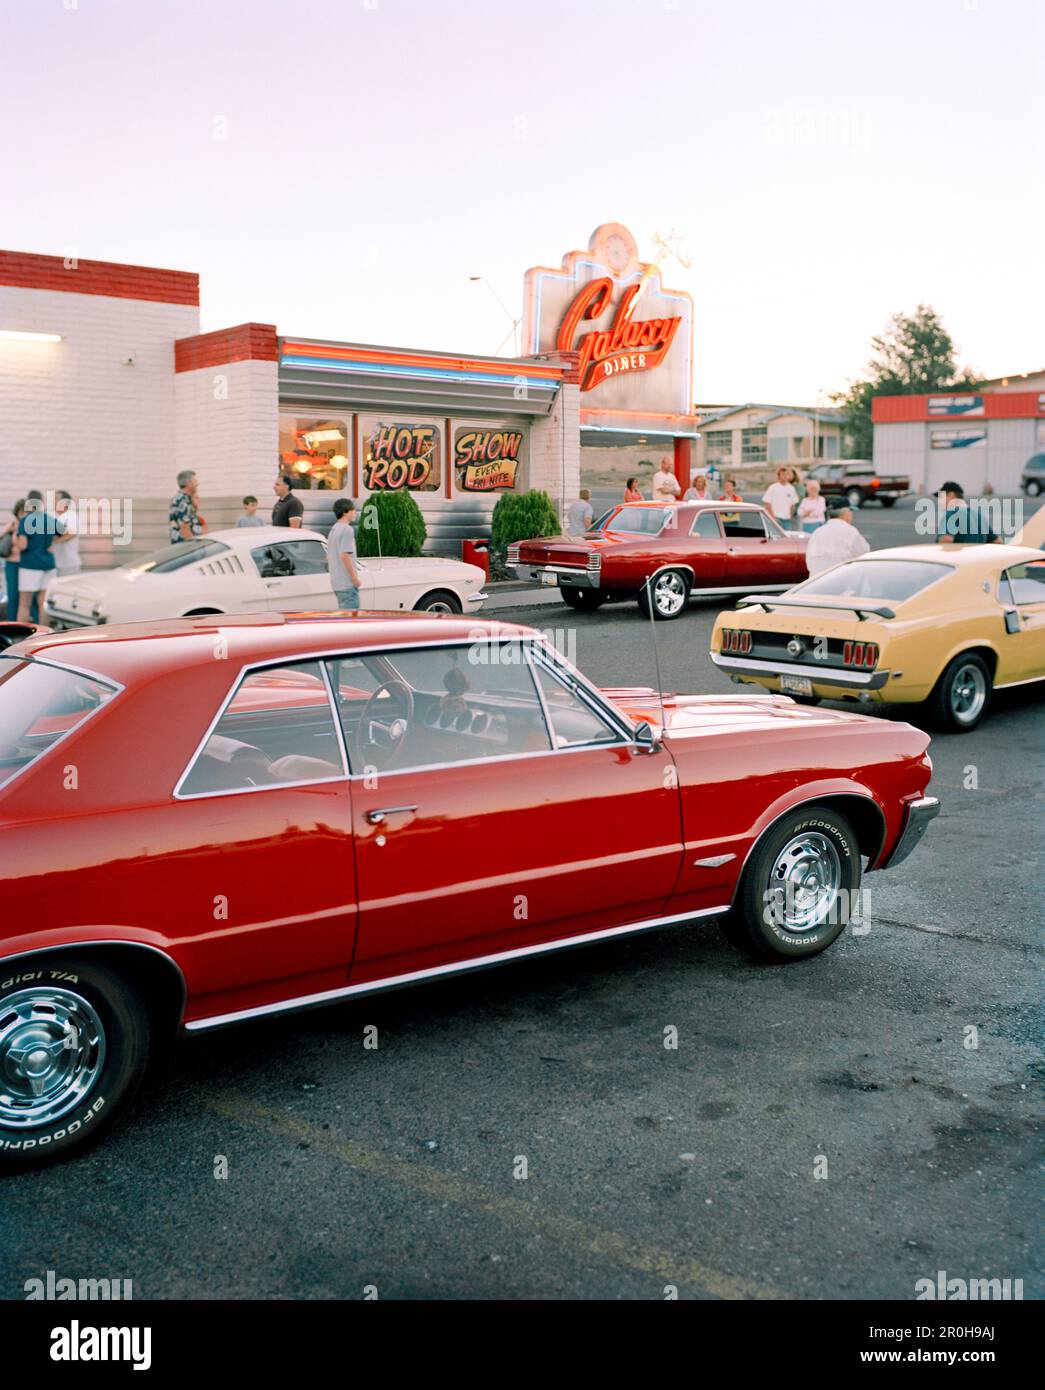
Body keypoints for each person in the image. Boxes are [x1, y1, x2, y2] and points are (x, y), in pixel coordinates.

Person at [14, 492, 59, 622]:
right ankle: (44, 636)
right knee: (43, 602)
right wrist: (50, 543)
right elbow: (63, 532)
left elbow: (22, 545)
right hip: (49, 565)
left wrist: (15, 540)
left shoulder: (25, 520)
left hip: (30, 565)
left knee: (24, 603)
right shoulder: (50, 519)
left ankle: (22, 637)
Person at [805, 503, 870, 576]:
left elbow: (809, 561)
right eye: (850, 511)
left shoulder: (817, 532)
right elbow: (864, 554)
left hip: (816, 581)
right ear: (846, 514)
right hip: (840, 580)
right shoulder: (850, 532)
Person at [327, 498, 361, 608]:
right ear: (345, 512)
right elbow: (345, 555)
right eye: (353, 510)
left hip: (337, 583)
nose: (355, 512)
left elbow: (328, 556)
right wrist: (354, 578)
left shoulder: (334, 529)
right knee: (352, 620)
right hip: (347, 585)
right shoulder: (347, 530)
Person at [2, 498, 25, 621]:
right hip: (11, 564)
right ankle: (12, 622)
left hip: (26, 564)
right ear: (16, 512)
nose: (23, 515)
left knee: (26, 596)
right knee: (13, 595)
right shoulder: (11, 524)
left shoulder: (30, 526)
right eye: (21, 512)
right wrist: (8, 531)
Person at [170, 470, 205, 544]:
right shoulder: (182, 500)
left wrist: (195, 504)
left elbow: (190, 520)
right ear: (189, 483)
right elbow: (185, 528)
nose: (197, 484)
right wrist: (192, 547)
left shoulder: (186, 498)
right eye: (195, 481)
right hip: (185, 546)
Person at [53, 490, 81, 576]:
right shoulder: (55, 517)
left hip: (69, 564)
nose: (53, 501)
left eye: (56, 499)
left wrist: (57, 539)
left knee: (69, 589)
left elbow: (71, 533)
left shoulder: (72, 516)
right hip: (56, 563)